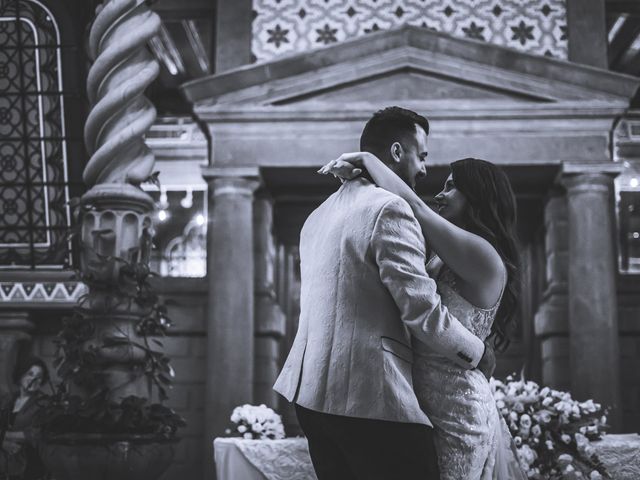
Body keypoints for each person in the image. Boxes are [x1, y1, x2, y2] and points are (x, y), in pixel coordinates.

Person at [274, 106, 496, 480]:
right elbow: (422, 311)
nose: (424, 169)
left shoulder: (318, 215)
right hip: (371, 395)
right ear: (397, 152)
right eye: (421, 155)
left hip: (309, 397)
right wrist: (477, 352)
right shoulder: (390, 208)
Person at [320, 138, 527, 476]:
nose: (440, 194)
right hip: (423, 402)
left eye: (451, 187)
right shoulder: (449, 253)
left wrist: (368, 157)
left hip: (457, 408)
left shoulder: (483, 253)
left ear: (477, 196)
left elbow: (414, 206)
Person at [0, 357, 50, 480]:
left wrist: (3, 436)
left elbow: (37, 433)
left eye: (39, 377)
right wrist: (3, 442)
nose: (33, 379)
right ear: (21, 375)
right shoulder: (7, 400)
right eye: (30, 374)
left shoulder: (44, 403)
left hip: (31, 466)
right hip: (5, 465)